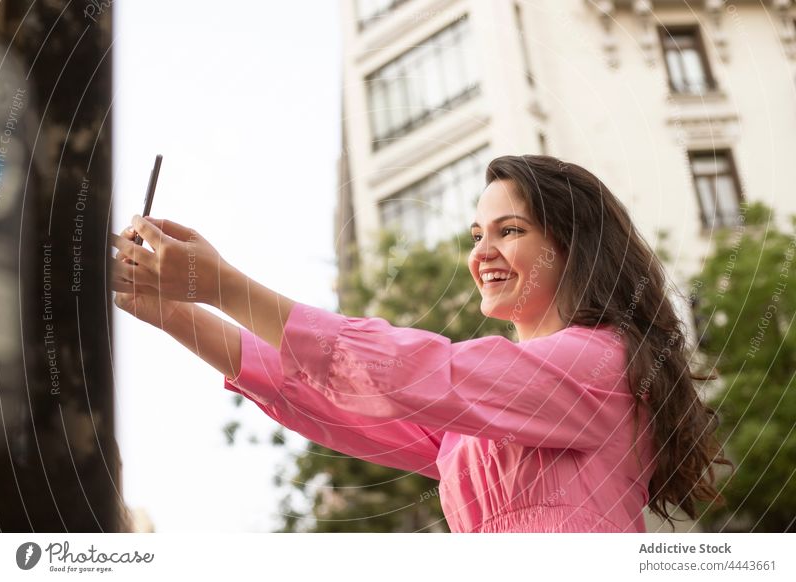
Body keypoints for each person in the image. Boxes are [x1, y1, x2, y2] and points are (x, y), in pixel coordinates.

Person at [110, 154, 733, 533]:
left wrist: (222, 285)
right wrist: (175, 311)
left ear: (572, 246)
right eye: (476, 233)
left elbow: (408, 373)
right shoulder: (480, 421)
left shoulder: (600, 361)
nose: (481, 253)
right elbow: (342, 401)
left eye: (509, 230)